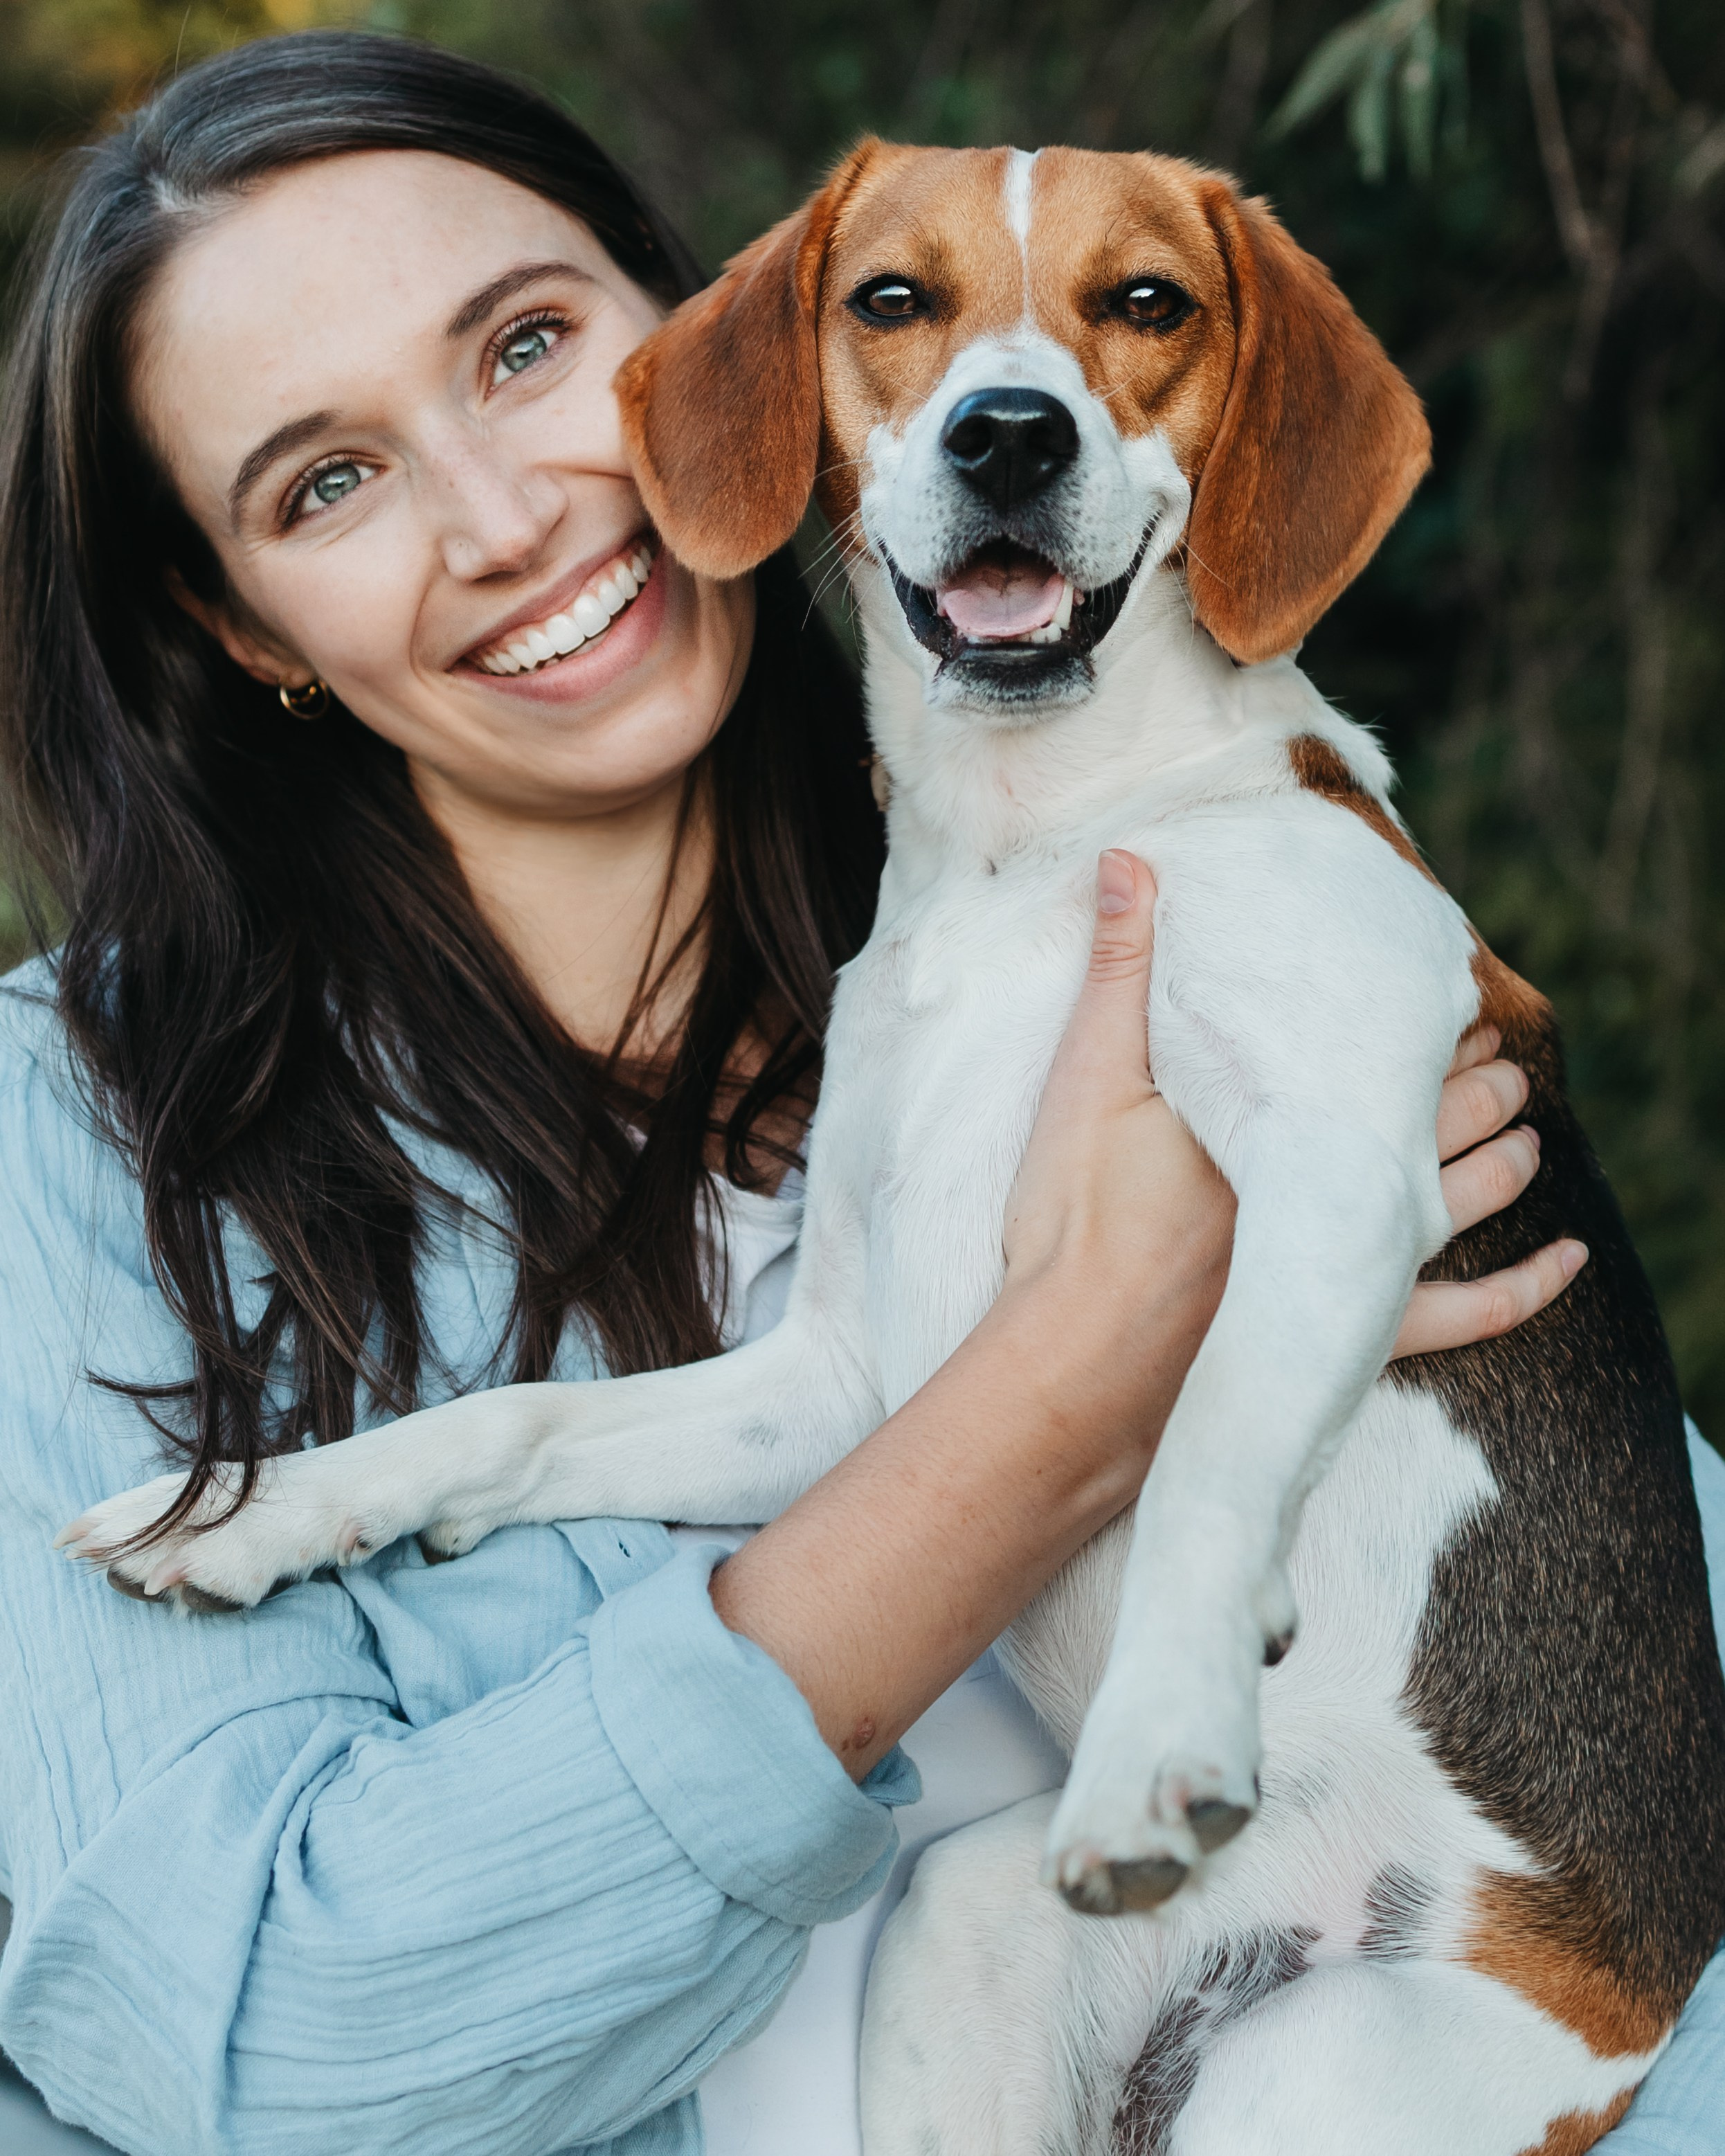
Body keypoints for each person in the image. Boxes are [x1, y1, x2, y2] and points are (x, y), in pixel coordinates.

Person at [0, 31, 1717, 2156]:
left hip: (1407, 1993)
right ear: (233, 615)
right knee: (982, 1905)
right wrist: (1065, 1387)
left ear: (695, 348)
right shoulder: (69, 1141)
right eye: (322, 480)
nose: (502, 509)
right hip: (1067, 1996)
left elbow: (1649, 1738)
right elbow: (259, 2065)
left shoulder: (1218, 891)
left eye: (527, 346)